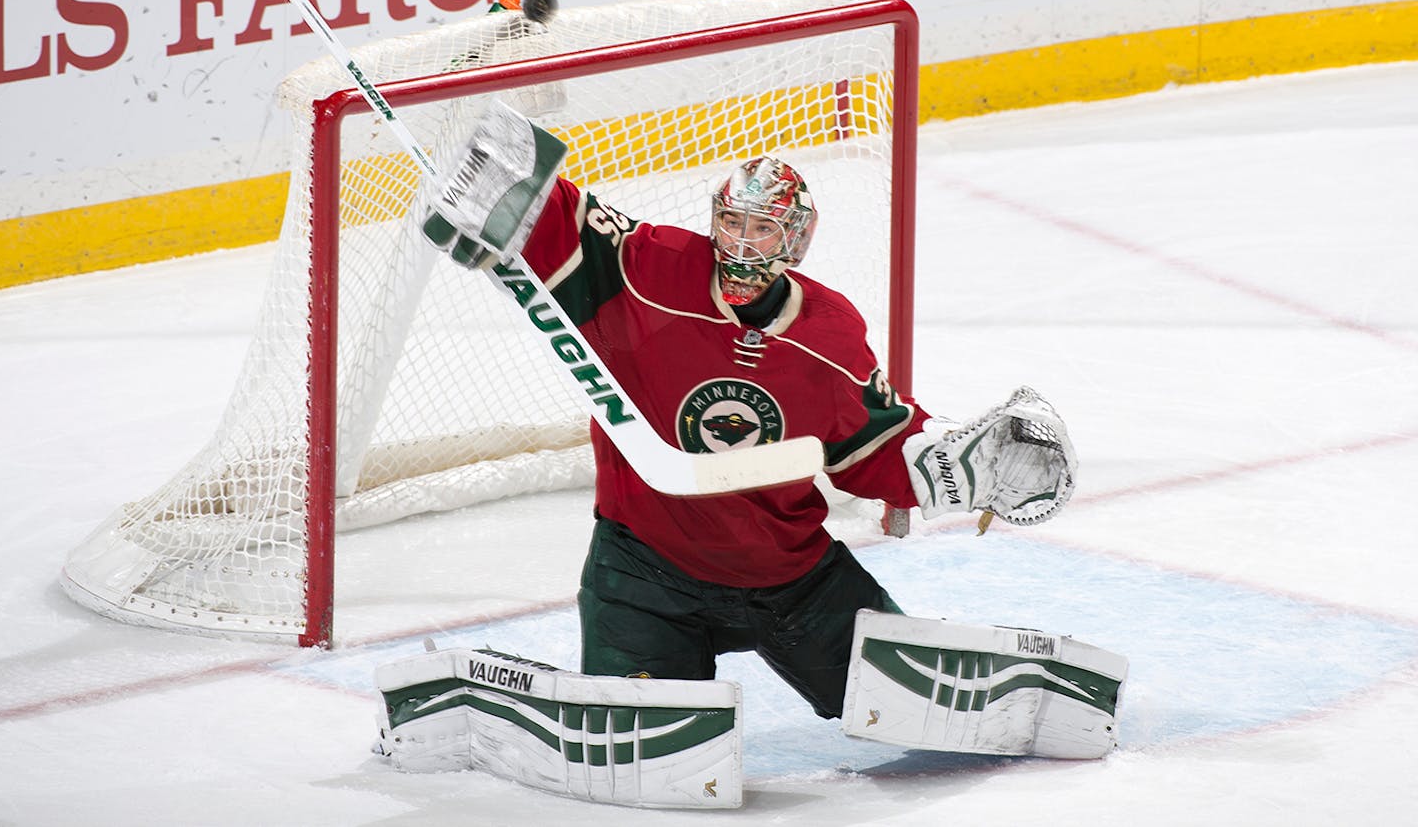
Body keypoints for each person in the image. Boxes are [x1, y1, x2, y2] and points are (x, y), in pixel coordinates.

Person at [421, 102, 1077, 723]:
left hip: (788, 576)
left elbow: (870, 442)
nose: (740, 242)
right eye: (732, 221)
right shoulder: (651, 270)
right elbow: (565, 221)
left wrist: (951, 468)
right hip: (644, 573)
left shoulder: (828, 332)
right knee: (638, 733)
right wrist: (507, 180)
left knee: (918, 704)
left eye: (761, 227)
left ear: (793, 241)